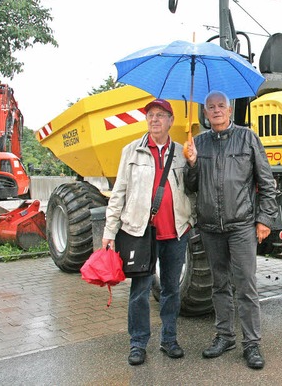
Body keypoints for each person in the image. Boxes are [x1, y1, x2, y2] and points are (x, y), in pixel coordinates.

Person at [185, 90, 278, 370]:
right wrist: (190, 163)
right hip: (211, 228)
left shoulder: (248, 138)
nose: (215, 110)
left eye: (220, 106)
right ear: (204, 112)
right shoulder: (199, 143)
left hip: (241, 227)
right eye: (210, 106)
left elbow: (267, 181)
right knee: (219, 285)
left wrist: (264, 220)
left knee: (246, 286)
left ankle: (252, 344)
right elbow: (191, 186)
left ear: (229, 110)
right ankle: (224, 336)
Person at [102, 98, 194, 366]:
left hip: (176, 233)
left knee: (171, 290)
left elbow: (192, 187)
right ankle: (138, 343)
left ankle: (169, 340)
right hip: (139, 232)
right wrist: (110, 232)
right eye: (151, 115)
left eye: (161, 115)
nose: (154, 119)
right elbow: (119, 192)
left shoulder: (181, 152)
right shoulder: (131, 151)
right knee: (140, 291)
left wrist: (194, 163)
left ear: (170, 121)